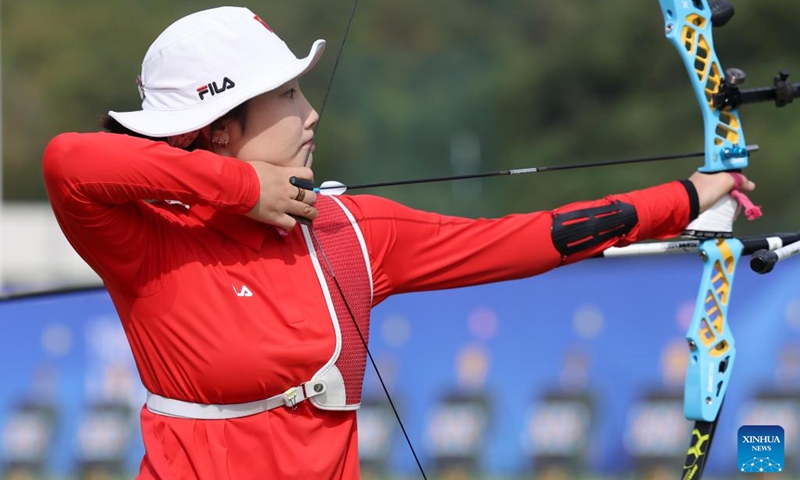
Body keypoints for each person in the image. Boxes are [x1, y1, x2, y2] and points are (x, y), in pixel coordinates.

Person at [41, 6, 754, 480]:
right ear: (222, 127)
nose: (311, 112)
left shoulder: (346, 233)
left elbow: (529, 238)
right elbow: (70, 160)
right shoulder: (147, 236)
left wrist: (688, 196)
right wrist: (240, 189)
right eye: (287, 96)